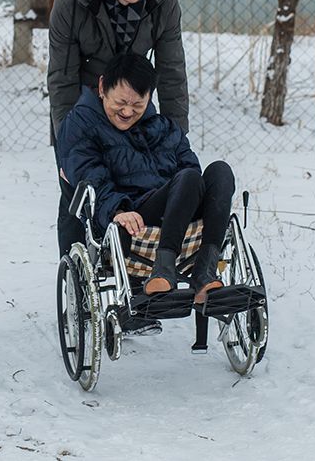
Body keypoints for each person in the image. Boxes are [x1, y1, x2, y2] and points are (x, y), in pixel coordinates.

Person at [48, 0, 188, 260]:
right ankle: (76, 272)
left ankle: (138, 272)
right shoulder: (71, 4)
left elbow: (172, 73)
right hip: (84, 109)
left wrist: (176, 135)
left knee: (144, 186)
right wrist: (68, 144)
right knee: (80, 197)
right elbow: (62, 79)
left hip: (135, 104)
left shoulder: (163, 1)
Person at [55, 53, 234, 303]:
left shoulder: (163, 127)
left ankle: (205, 272)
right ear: (102, 88)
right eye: (120, 102)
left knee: (220, 171)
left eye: (138, 105)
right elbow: (89, 174)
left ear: (149, 96)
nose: (127, 111)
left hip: (179, 209)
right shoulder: (81, 123)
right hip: (135, 214)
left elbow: (189, 165)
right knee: (189, 178)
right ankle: (163, 270)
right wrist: (117, 210)